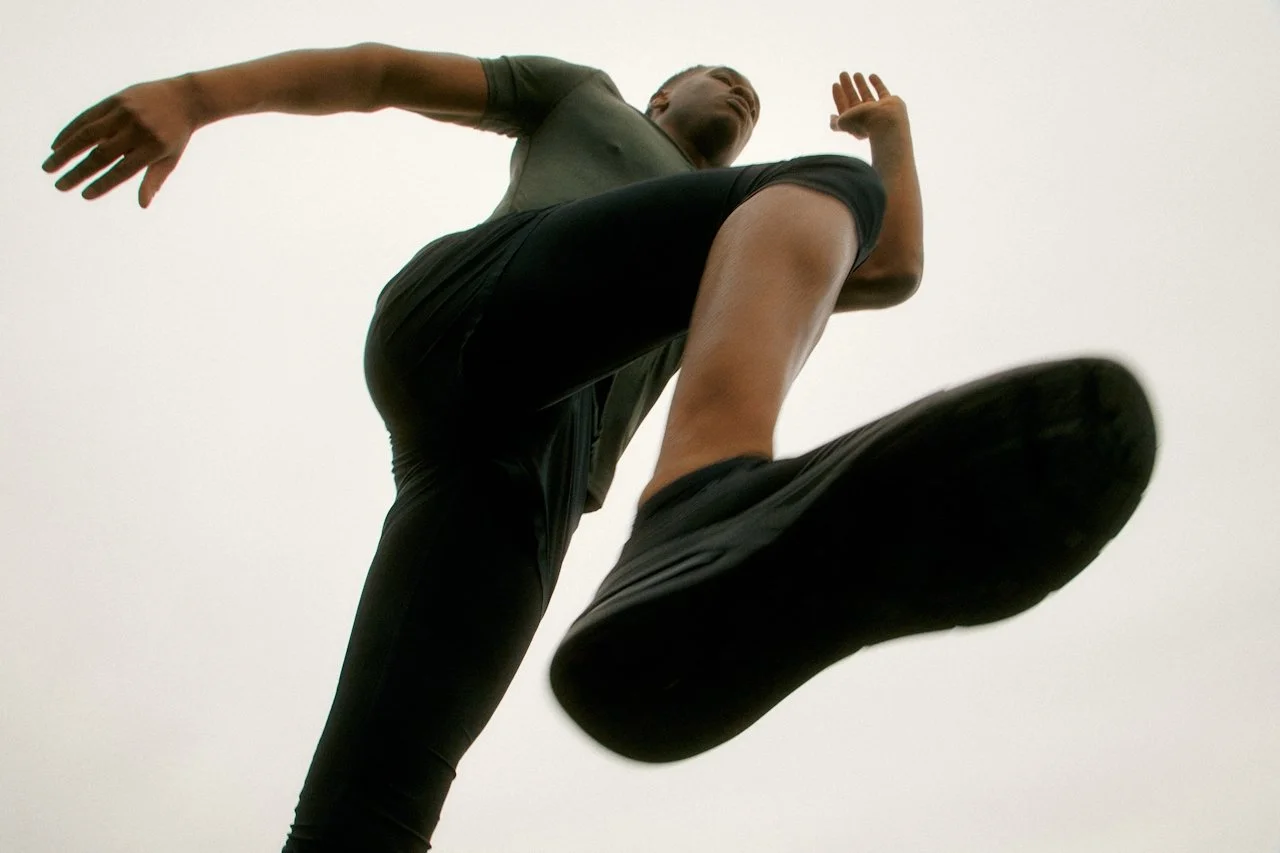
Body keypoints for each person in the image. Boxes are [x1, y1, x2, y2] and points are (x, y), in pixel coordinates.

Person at [41, 43, 1157, 851]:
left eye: (753, 97)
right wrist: (192, 97)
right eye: (725, 78)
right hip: (473, 311)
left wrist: (895, 137)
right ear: (665, 91)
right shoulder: (583, 99)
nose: (743, 94)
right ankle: (704, 491)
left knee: (381, 799)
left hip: (525, 476)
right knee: (826, 190)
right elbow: (382, 74)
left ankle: (693, 521)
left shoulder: (742, 233)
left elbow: (888, 270)